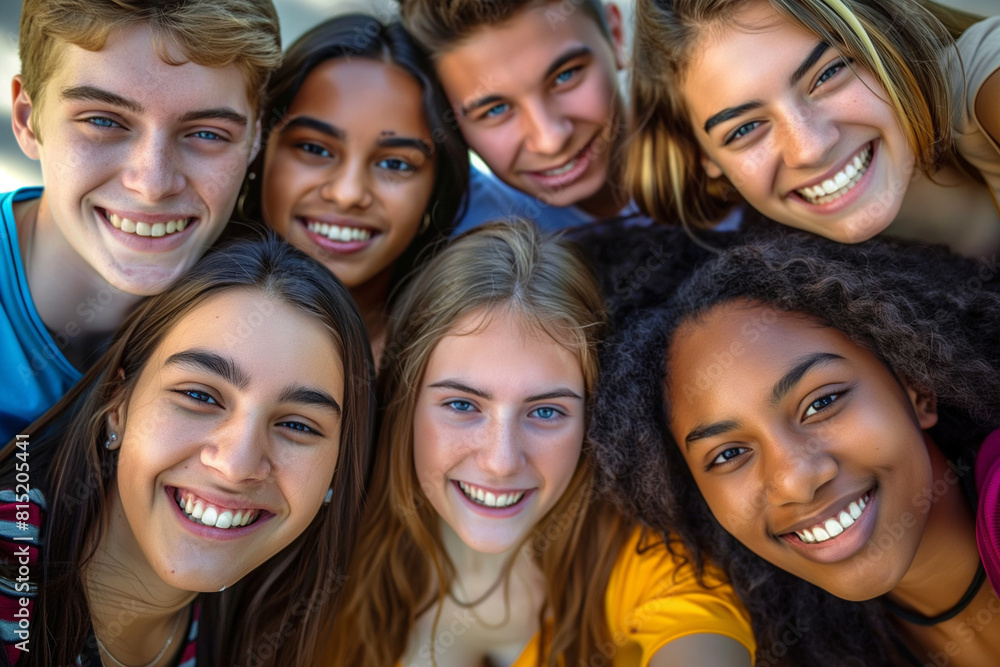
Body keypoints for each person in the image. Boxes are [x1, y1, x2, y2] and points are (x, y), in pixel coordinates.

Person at [323, 221, 755, 666]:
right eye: (462, 405)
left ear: (594, 417)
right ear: (404, 400)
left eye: (546, 411)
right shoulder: (330, 551)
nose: (501, 461)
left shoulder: (650, 564)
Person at [591, 231, 1000, 665]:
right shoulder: (817, 644)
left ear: (916, 386)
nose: (796, 481)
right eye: (729, 454)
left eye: (821, 404)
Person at [0, 236, 375, 666]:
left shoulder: (274, 630)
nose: (236, 466)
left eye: (296, 425)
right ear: (117, 405)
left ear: (336, 470)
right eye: (200, 396)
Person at [2, 0, 282, 443]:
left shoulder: (271, 325)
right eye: (103, 121)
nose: (152, 184)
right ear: (26, 118)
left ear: (254, 139)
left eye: (207, 133)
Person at [627, 0, 1000, 255]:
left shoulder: (981, 82)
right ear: (704, 156)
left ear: (884, 41)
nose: (810, 148)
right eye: (744, 129)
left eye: (829, 74)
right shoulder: (778, 284)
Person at [240, 14, 468, 361]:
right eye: (315, 149)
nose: (348, 194)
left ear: (436, 191)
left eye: (396, 164)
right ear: (259, 150)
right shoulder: (172, 310)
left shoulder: (459, 357)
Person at [397, 0, 636, 233]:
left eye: (566, 76)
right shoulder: (467, 236)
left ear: (615, 35)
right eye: (495, 110)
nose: (550, 141)